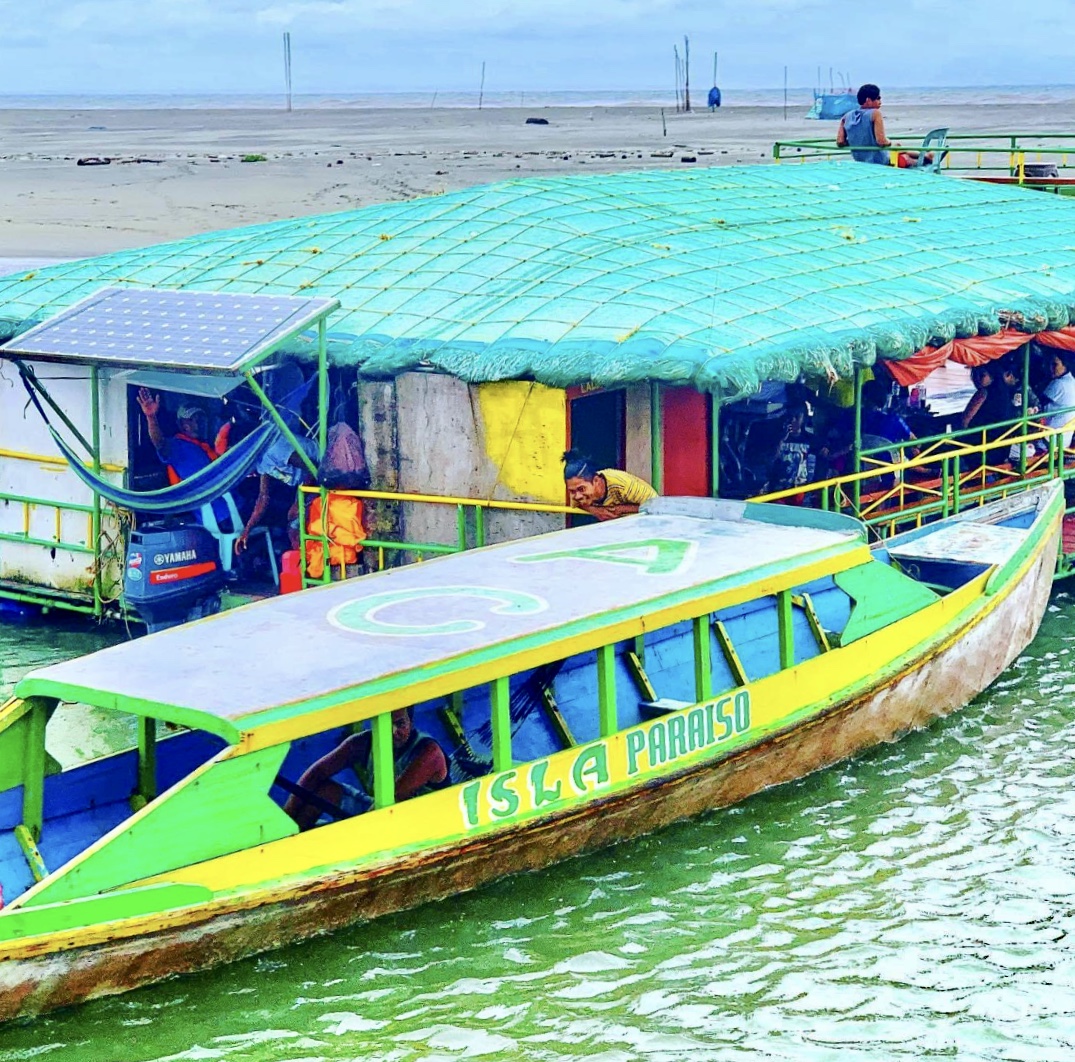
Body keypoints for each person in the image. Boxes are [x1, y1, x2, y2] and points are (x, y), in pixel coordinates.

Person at [284, 708, 447, 831]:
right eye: (385, 724)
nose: (392, 732)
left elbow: (391, 800)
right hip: (379, 814)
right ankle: (290, 840)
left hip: (420, 826)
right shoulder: (362, 743)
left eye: (400, 724)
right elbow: (316, 774)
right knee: (324, 792)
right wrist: (287, 821)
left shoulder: (428, 753)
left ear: (411, 724)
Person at [136, 387, 228, 522]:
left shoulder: (204, 446)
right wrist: (151, 417)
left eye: (199, 418)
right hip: (220, 515)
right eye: (190, 419)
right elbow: (159, 443)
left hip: (230, 502)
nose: (196, 422)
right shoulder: (177, 446)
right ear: (181, 424)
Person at [562, 450, 657, 520]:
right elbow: (578, 504)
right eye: (572, 491)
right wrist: (596, 511)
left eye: (581, 489)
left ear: (596, 481)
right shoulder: (578, 495)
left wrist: (621, 509)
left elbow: (655, 506)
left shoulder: (623, 485)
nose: (577, 496)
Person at [836, 84, 891, 165]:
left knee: (906, 152)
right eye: (878, 98)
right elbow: (881, 141)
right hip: (879, 162)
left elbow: (840, 142)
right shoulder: (875, 113)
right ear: (868, 100)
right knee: (903, 152)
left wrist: (856, 142)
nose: (880, 102)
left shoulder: (846, 116)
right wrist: (889, 142)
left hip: (860, 162)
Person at [1041, 351, 1075, 450]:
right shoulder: (1072, 381)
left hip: (1050, 440)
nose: (1051, 368)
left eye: (1055, 365)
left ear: (1065, 365)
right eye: (1049, 364)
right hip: (1064, 439)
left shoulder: (1059, 384)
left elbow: (1038, 403)